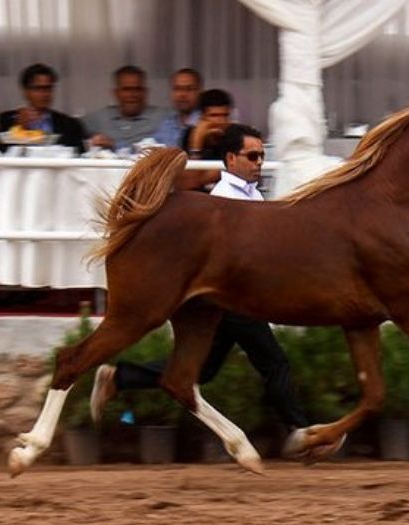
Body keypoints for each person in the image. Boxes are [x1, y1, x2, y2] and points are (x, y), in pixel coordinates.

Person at [90, 124, 313, 441]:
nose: (260, 162)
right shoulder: (223, 199)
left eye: (262, 155)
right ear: (231, 159)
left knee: (203, 370)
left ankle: (119, 377)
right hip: (232, 294)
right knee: (273, 361)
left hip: (228, 298)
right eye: (252, 156)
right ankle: (300, 432)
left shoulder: (255, 197)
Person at [0, 63, 85, 154]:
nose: (45, 94)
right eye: (38, 89)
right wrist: (20, 126)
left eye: (48, 88)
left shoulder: (70, 124)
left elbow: (81, 155)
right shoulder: (7, 119)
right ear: (25, 92)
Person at [83, 65, 162, 151]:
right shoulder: (97, 119)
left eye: (137, 89)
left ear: (145, 92)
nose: (132, 95)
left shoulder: (163, 118)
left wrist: (115, 145)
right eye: (126, 89)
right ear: (115, 93)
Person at [154, 67, 202, 148]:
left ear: (199, 92)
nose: (182, 94)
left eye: (189, 89)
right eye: (177, 89)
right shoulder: (166, 125)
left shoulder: (205, 122)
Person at [181, 88, 234, 159]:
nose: (221, 121)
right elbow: (190, 169)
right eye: (214, 115)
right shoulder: (189, 134)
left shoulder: (234, 136)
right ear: (202, 117)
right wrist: (197, 141)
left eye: (225, 115)